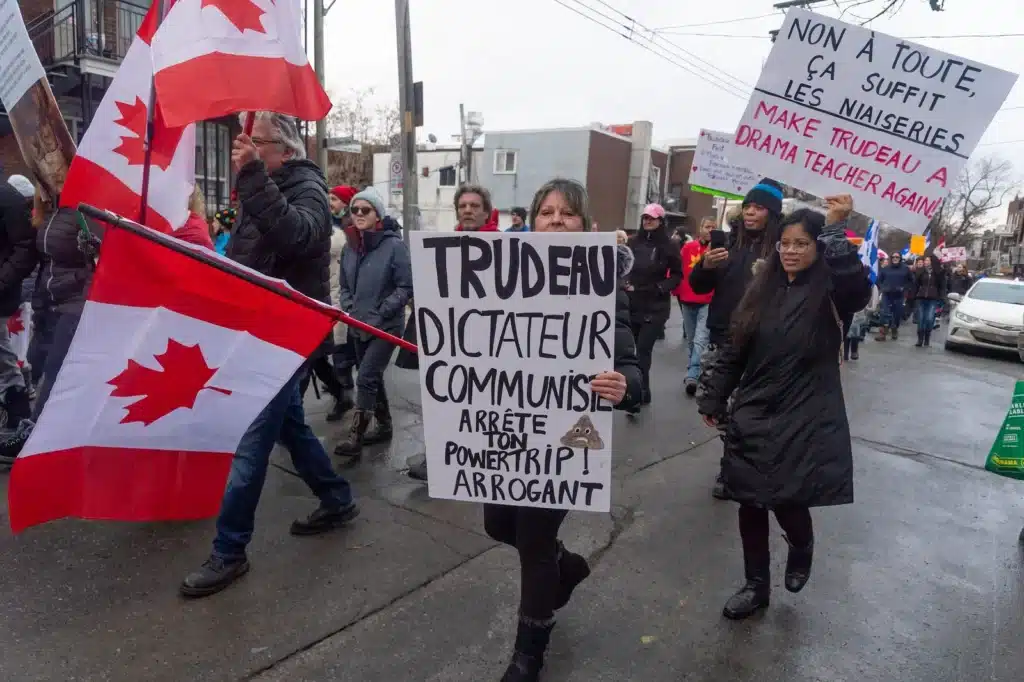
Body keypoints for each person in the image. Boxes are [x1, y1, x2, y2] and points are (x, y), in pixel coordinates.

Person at [181, 112, 357, 597]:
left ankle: (230, 550)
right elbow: (247, 258)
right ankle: (337, 498)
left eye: (253, 141)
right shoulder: (262, 185)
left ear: (283, 149)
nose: (242, 147)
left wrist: (254, 176)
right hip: (255, 327)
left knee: (251, 437)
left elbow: (297, 235)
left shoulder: (307, 189)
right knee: (288, 426)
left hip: (287, 333)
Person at [486, 178, 641, 682]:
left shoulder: (603, 288)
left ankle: (528, 652)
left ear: (586, 226)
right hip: (509, 432)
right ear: (531, 223)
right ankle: (566, 566)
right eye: (546, 212)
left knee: (532, 538)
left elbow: (632, 369)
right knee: (498, 524)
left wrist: (624, 385)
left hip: (569, 438)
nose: (555, 221)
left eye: (567, 213)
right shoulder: (496, 277)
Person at [698, 196, 870, 621]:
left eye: (802, 243)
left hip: (805, 410)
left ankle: (801, 545)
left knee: (788, 497)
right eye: (785, 243)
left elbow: (856, 286)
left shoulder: (833, 290)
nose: (791, 251)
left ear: (818, 248)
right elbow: (735, 349)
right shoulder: (762, 290)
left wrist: (835, 229)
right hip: (753, 410)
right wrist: (714, 396)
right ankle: (755, 585)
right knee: (749, 501)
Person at [689, 179, 784, 500]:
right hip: (722, 337)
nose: (749, 213)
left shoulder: (782, 247)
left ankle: (733, 468)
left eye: (757, 208)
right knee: (717, 408)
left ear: (771, 213)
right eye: (746, 207)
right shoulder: (728, 243)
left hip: (761, 341)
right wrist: (705, 266)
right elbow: (699, 287)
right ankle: (736, 457)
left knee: (748, 411)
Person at [333, 187, 413, 458]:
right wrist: (349, 307)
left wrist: (381, 312)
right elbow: (344, 286)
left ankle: (355, 436)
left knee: (365, 376)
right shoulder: (350, 246)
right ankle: (385, 425)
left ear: (377, 214)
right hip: (358, 325)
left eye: (365, 210)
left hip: (386, 327)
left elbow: (405, 287)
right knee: (372, 377)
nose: (358, 214)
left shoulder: (394, 246)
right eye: (354, 209)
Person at [623, 204, 682, 411]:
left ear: (660, 221)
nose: (648, 221)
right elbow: (623, 267)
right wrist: (625, 282)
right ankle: (643, 390)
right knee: (630, 352)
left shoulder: (669, 246)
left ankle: (638, 393)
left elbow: (677, 275)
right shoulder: (632, 242)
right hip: (633, 304)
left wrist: (661, 287)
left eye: (652, 218)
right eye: (645, 217)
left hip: (655, 307)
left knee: (643, 351)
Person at [0, 174, 37, 434]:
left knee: (3, 359)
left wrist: (2, 281)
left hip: (2, 296)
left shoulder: (7, 198)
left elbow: (26, 247)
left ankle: (19, 421)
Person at [674, 216, 714, 396]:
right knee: (691, 340)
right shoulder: (689, 247)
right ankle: (695, 368)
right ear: (701, 228)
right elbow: (678, 268)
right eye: (707, 226)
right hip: (687, 299)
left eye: (713, 227)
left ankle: (692, 374)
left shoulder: (719, 250)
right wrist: (675, 290)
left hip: (708, 300)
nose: (710, 230)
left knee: (700, 339)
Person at [910, 254, 947, 347]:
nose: (926, 262)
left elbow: (942, 286)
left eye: (928, 260)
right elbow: (916, 285)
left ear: (932, 262)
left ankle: (927, 338)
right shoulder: (921, 271)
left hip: (933, 299)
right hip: (921, 298)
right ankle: (920, 339)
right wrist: (913, 296)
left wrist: (942, 297)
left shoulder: (938, 273)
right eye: (925, 260)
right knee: (921, 319)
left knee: (929, 318)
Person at [875, 251, 911, 341]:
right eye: (893, 257)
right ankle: (882, 333)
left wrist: (904, 288)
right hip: (887, 294)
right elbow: (878, 280)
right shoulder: (886, 269)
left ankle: (894, 328)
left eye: (897, 257)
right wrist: (883, 287)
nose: (895, 258)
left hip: (899, 295)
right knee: (884, 313)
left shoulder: (905, 269)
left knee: (897, 314)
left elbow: (911, 281)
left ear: (900, 259)